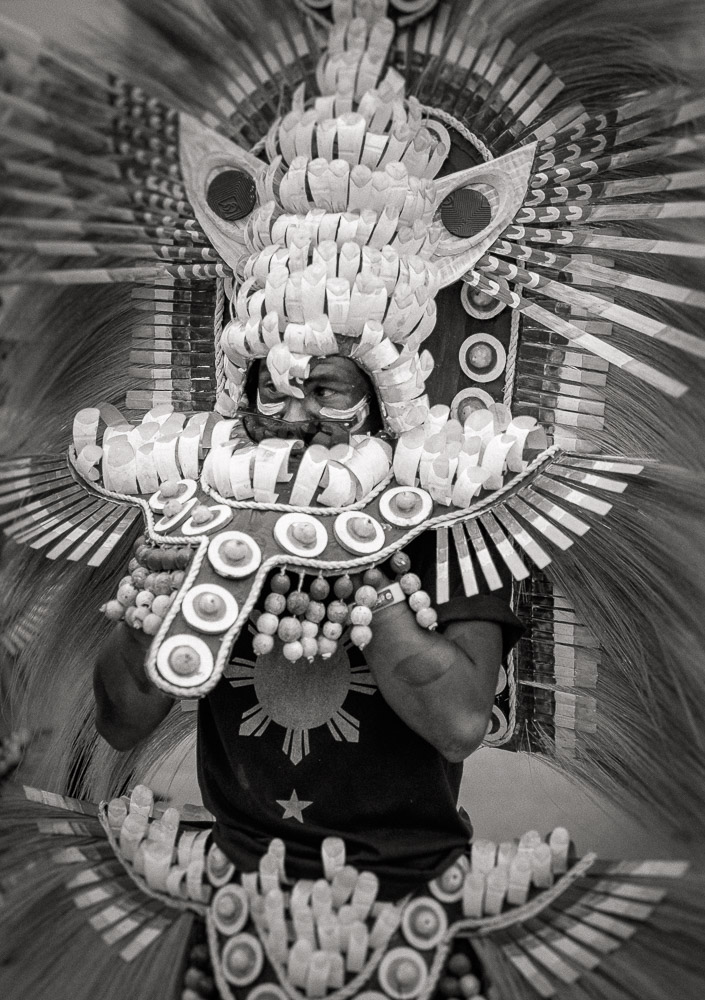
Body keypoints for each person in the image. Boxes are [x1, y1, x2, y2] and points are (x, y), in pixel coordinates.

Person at [94, 354, 523, 899]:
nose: (294, 417)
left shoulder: (449, 520)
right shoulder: (198, 518)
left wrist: (362, 554)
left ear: (380, 407)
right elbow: (120, 724)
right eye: (272, 393)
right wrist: (167, 578)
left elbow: (460, 725)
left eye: (325, 392)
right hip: (236, 875)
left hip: (406, 881)